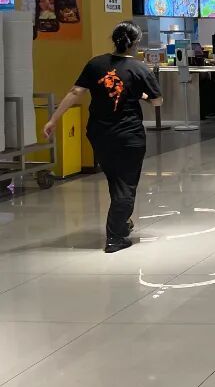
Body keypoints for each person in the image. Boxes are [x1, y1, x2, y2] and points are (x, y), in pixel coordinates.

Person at [44, 22, 162, 253]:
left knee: (115, 180)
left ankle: (122, 222)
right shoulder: (139, 69)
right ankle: (115, 238)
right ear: (136, 43)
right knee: (126, 184)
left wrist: (53, 120)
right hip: (128, 136)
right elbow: (157, 101)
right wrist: (142, 96)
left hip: (99, 134)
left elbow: (75, 92)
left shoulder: (95, 63)